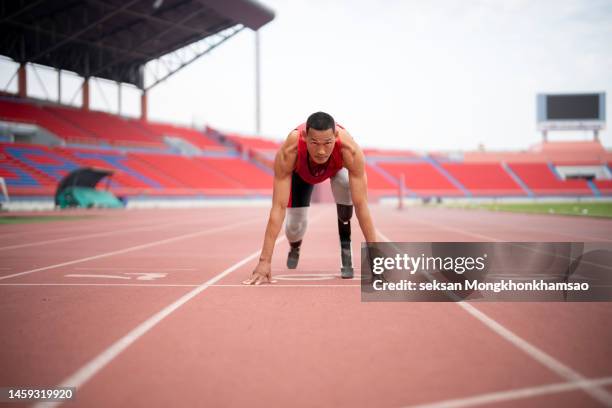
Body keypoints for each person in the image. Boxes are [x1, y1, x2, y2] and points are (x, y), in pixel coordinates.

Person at [242, 111, 377, 285]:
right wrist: (264, 262)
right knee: (294, 228)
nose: (321, 151)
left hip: (336, 170)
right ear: (305, 137)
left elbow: (361, 205)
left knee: (345, 184)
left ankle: (345, 242)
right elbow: (278, 207)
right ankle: (295, 245)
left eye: (327, 143)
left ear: (335, 136)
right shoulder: (290, 150)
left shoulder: (349, 149)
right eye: (314, 143)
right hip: (302, 175)